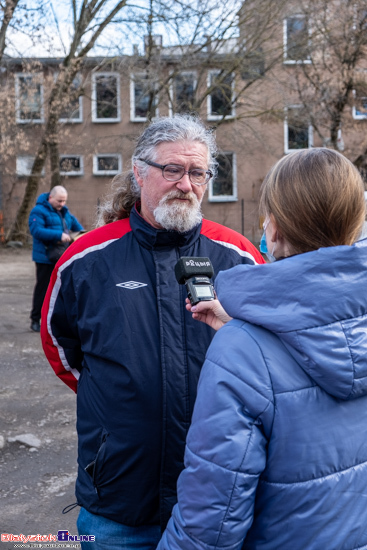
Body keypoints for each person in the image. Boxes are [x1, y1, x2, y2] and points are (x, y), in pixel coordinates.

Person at [40, 114, 265, 550]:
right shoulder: (87, 257)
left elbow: (266, 358)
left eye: (197, 172)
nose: (186, 184)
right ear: (139, 173)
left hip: (215, 493)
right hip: (119, 496)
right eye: (172, 170)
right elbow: (58, 343)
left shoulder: (238, 257)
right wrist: (113, 399)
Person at [157, 147, 367, 550]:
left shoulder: (241, 353)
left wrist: (245, 348)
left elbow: (210, 525)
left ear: (274, 229)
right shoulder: (245, 344)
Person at [29, 185, 83, 332]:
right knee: (43, 289)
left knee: (62, 289)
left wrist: (83, 236)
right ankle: (35, 319)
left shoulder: (64, 212)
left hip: (61, 257)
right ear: (51, 198)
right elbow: (36, 231)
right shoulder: (38, 211)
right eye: (59, 201)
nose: (62, 204)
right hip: (45, 258)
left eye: (64, 201)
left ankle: (57, 320)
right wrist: (58, 235)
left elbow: (78, 228)